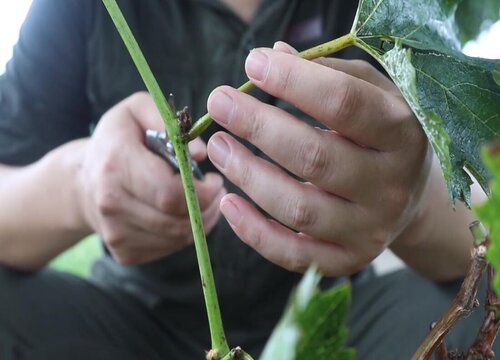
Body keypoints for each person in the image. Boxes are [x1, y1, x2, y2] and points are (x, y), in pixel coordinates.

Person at [0, 0, 493, 359]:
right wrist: (80, 184)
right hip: (126, 323)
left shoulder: (398, 10)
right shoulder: (80, 11)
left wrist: (415, 205)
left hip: (334, 319)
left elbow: (486, 226)